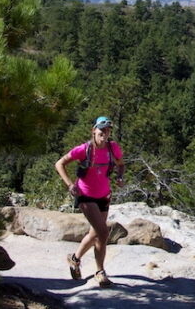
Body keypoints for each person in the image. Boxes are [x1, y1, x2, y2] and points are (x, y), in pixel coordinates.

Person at [55, 116, 124, 287]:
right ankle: (100, 271)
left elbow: (121, 164)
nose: (104, 133)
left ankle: (75, 258)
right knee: (103, 232)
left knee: (95, 233)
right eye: (101, 130)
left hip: (104, 195)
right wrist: (70, 184)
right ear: (94, 130)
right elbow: (60, 164)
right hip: (85, 195)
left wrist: (120, 177)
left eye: (107, 130)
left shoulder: (112, 148)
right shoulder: (84, 149)